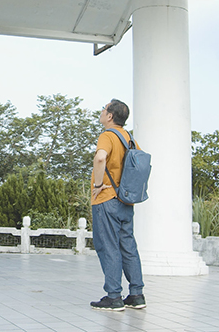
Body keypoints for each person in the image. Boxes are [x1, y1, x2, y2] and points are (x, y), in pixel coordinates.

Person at [89, 99, 146, 311]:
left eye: (104, 109)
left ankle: (113, 296)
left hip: (107, 200)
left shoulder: (107, 136)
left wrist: (98, 184)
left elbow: (100, 158)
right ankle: (136, 294)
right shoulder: (129, 138)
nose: (102, 112)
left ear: (110, 116)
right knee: (128, 246)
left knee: (108, 245)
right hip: (125, 200)